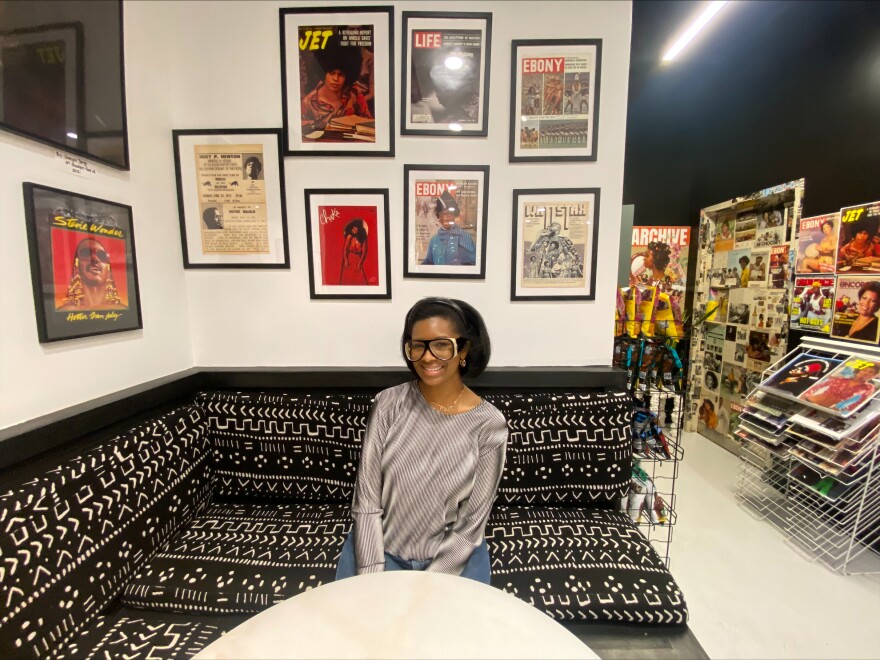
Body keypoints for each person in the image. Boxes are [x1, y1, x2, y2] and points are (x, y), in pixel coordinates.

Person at [335, 297, 508, 584]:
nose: (427, 357)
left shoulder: (489, 425)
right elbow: (366, 499)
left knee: (447, 628)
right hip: (379, 549)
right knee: (362, 625)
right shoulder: (389, 403)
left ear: (463, 350)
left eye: (441, 344)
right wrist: (372, 578)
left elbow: (471, 524)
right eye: (418, 345)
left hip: (454, 557)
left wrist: (430, 586)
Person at [301, 40, 372, 135]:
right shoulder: (308, 102)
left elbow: (370, 126)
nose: (336, 78)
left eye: (341, 74)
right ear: (323, 73)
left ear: (348, 76)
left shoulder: (354, 93)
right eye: (331, 73)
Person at [60, 237, 124, 309]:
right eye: (86, 253)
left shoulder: (121, 310)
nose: (94, 259)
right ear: (76, 263)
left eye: (101, 255)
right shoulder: (66, 311)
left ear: (108, 268)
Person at [422, 191, 476, 266]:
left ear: (454, 215)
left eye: (449, 214)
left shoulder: (465, 237)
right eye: (442, 214)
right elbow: (428, 262)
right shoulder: (434, 240)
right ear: (438, 216)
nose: (445, 218)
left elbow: (473, 264)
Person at [339, 218, 369, 285]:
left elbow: (364, 252)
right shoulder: (349, 237)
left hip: (357, 259)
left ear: (359, 230)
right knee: (347, 279)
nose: (353, 230)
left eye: (355, 229)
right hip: (349, 258)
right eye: (353, 229)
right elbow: (345, 249)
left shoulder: (363, 239)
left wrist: (359, 263)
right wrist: (346, 260)